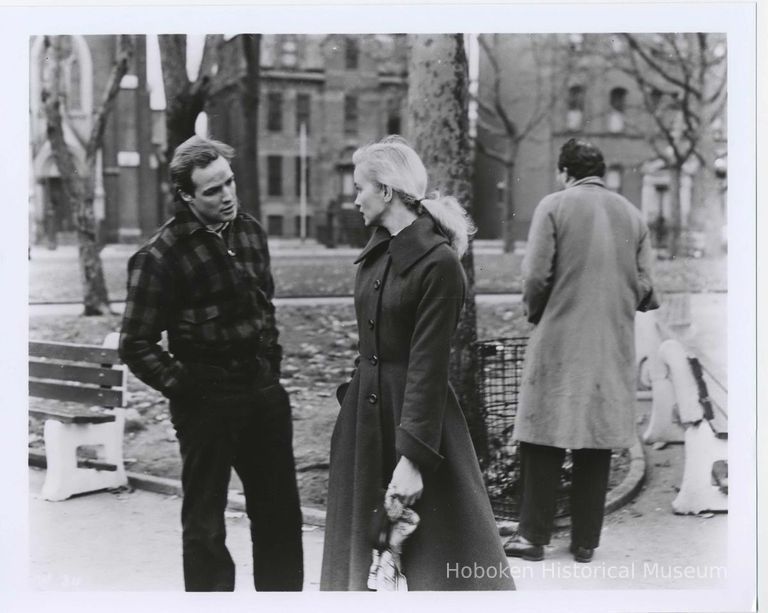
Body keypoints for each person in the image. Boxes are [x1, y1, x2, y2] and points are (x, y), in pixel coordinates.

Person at [320, 136, 515, 591]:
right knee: (362, 568)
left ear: (385, 191)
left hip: (416, 428)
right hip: (365, 427)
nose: (354, 200)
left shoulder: (439, 265)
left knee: (439, 568)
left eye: (359, 189)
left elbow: (428, 369)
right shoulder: (375, 254)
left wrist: (413, 460)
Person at [118, 135, 304, 591]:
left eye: (230, 183)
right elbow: (135, 343)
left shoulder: (251, 231)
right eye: (212, 190)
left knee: (280, 517)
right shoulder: (158, 256)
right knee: (205, 529)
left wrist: (270, 369)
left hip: (262, 396)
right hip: (206, 404)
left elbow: (266, 309)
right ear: (185, 195)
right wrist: (187, 388)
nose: (227, 197)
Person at [504, 138, 659, 564]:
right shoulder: (633, 216)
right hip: (612, 342)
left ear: (564, 172)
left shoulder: (553, 206)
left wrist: (537, 313)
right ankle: (586, 541)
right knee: (597, 438)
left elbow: (535, 276)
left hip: (558, 336)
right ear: (602, 171)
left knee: (542, 433)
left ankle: (532, 538)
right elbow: (647, 289)